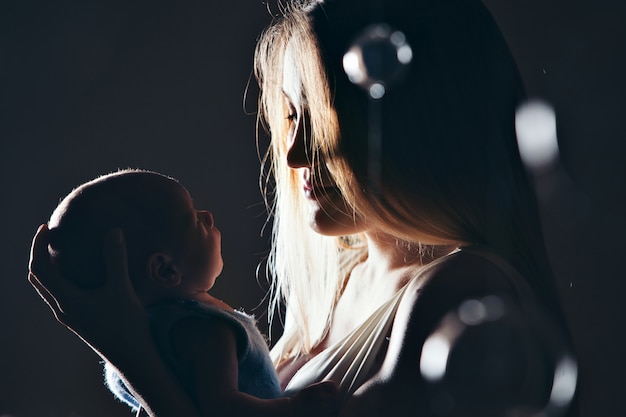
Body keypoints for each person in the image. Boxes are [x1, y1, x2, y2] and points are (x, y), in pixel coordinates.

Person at [29, 0, 577, 416]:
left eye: (323, 117)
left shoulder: (463, 289)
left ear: (411, 128)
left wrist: (129, 350)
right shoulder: (341, 283)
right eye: (291, 118)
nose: (293, 155)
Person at [42, 168, 337, 417]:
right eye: (194, 219)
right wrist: (292, 407)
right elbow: (222, 407)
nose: (208, 216)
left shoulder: (144, 336)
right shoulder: (208, 330)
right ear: (165, 270)